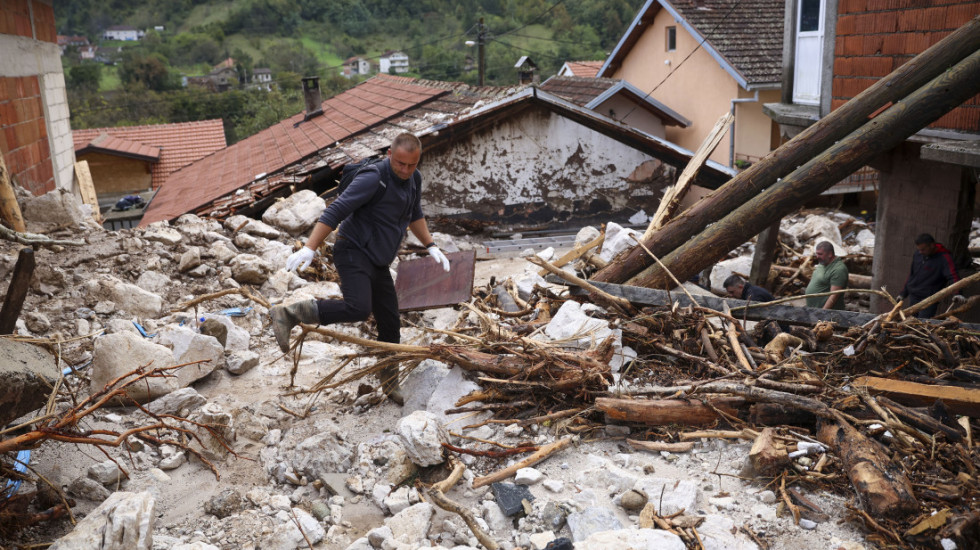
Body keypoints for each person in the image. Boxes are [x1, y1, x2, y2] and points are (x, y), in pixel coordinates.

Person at [270, 133, 450, 404]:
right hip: (352, 250)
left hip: (378, 259)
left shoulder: (414, 179)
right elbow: (336, 210)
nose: (404, 170)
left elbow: (415, 214)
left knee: (390, 323)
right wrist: (310, 247)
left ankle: (389, 382)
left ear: (418, 161)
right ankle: (290, 313)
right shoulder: (373, 177)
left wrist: (431, 245)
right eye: (399, 163)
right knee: (359, 307)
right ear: (390, 154)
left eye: (411, 165)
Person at [899, 233, 960, 318]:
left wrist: (957, 293)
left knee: (922, 323)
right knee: (910, 321)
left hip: (929, 299)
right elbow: (912, 274)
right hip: (914, 296)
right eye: (919, 249)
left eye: (923, 249)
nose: (920, 252)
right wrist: (903, 293)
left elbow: (953, 276)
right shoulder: (918, 254)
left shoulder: (944, 258)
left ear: (932, 245)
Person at [805, 241, 848, 310]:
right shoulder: (823, 262)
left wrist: (823, 312)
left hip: (828, 314)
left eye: (820, 254)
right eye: (817, 254)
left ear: (830, 254)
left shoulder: (839, 269)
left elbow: (834, 296)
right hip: (813, 310)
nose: (817, 257)